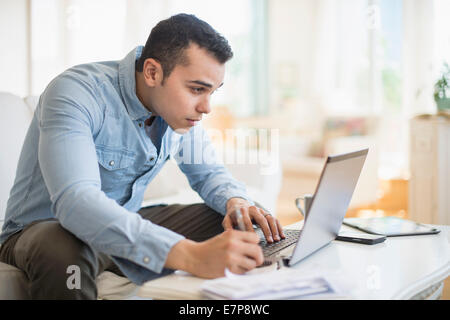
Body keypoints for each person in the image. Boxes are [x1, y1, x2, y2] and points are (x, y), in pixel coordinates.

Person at [0, 13, 285, 299]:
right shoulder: (77, 93)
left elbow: (209, 174)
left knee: (237, 220)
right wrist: (189, 255)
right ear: (152, 72)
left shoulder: (178, 113)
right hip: (45, 231)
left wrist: (235, 201)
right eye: (197, 89)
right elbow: (76, 202)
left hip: (124, 221)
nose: (206, 107)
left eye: (212, 92)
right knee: (60, 245)